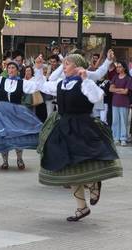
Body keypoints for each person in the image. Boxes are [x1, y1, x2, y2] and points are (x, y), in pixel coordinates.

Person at [37, 54, 122, 221]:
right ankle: (82, 207)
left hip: (83, 127)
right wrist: (39, 69)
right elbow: (41, 86)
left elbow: (97, 97)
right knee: (69, 169)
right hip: (63, 128)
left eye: (67, 63)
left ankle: (93, 184)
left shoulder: (85, 83)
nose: (64, 66)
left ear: (77, 67)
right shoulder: (61, 84)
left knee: (83, 162)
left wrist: (86, 80)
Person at [0, 58, 44, 170]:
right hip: (2, 113)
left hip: (16, 112)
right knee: (3, 137)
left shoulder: (22, 83)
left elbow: (37, 85)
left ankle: (19, 159)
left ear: (17, 70)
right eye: (9, 67)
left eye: (13, 67)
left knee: (17, 135)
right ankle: (5, 161)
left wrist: (38, 69)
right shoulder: (1, 80)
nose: (10, 69)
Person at [109, 61, 132, 146]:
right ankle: (116, 138)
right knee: (115, 121)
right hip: (115, 102)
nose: (118, 68)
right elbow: (110, 89)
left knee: (123, 121)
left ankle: (123, 138)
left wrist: (116, 89)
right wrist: (120, 89)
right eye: (117, 67)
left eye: (119, 67)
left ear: (124, 68)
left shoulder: (128, 79)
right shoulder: (115, 77)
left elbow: (126, 92)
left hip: (124, 103)